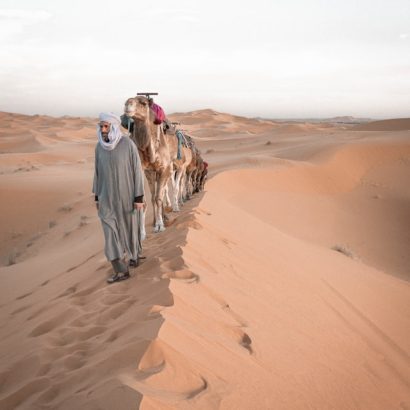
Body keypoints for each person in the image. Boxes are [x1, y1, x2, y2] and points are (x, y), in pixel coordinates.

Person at [93, 112, 144, 283]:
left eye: (106, 126)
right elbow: (97, 172)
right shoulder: (99, 147)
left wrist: (138, 198)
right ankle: (121, 270)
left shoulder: (128, 144)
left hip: (127, 196)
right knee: (109, 234)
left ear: (113, 127)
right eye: (101, 126)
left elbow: (137, 171)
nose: (103, 129)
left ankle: (135, 256)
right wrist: (97, 197)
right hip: (107, 198)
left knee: (130, 229)